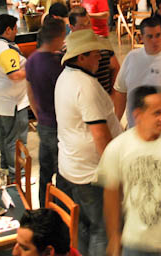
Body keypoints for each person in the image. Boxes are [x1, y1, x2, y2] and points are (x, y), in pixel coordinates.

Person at [98, 86, 161, 256]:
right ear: (138, 115)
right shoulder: (117, 148)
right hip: (136, 244)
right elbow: (111, 194)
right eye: (157, 113)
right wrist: (114, 236)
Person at [55, 29, 122, 256]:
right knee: (103, 229)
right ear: (81, 57)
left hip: (72, 166)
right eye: (95, 53)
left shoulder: (65, 77)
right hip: (90, 173)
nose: (100, 58)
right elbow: (100, 135)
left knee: (84, 226)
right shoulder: (86, 86)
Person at [26, 19, 66, 207]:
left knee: (45, 171)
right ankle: (63, 212)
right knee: (63, 173)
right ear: (57, 38)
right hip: (58, 125)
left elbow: (30, 93)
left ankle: (44, 207)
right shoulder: (56, 65)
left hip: (43, 122)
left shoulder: (32, 59)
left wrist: (38, 115)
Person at [0, 14, 29, 179]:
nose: (16, 32)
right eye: (15, 28)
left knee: (5, 133)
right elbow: (15, 75)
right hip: (11, 99)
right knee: (16, 138)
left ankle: (6, 165)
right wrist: (33, 69)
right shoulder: (6, 50)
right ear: (8, 29)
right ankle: (17, 173)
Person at [69, 6, 120, 94]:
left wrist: (113, 93)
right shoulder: (67, 50)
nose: (87, 28)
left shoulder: (103, 42)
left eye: (88, 23)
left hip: (106, 96)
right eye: (82, 26)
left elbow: (115, 68)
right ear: (72, 27)